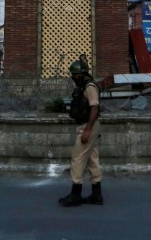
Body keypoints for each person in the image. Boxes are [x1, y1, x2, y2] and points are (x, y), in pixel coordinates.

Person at [58, 58, 103, 207]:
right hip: (87, 125)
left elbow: (94, 108)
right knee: (92, 159)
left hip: (87, 125)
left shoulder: (90, 86)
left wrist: (87, 130)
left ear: (81, 74)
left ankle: (76, 194)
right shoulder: (84, 86)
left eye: (75, 74)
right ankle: (97, 195)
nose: (73, 77)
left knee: (77, 158)